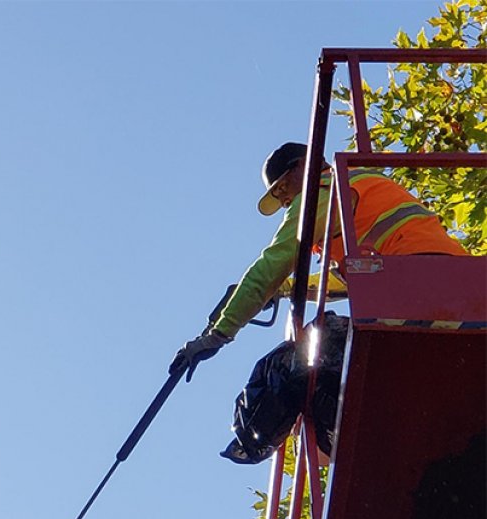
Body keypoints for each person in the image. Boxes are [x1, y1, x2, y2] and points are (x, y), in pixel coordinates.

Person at [169, 141, 469, 381]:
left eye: (284, 188)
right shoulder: (358, 184)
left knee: (319, 364)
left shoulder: (323, 189)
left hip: (416, 287)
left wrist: (218, 334)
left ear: (304, 166)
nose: (287, 201)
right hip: (453, 280)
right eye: (279, 195)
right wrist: (284, 289)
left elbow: (274, 262)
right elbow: (354, 278)